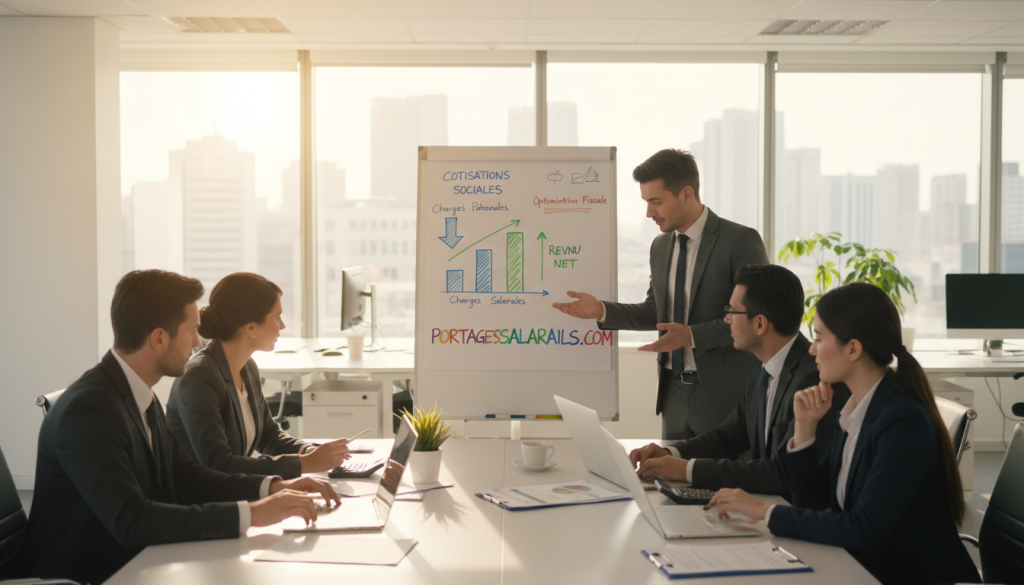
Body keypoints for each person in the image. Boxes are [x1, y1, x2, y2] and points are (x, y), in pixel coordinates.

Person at [17, 270, 340, 585]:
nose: (198, 340)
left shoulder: (137, 393)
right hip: (86, 573)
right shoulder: (88, 410)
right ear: (159, 338)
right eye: (191, 331)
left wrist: (272, 488)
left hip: (136, 559)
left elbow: (186, 476)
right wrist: (254, 514)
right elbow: (133, 520)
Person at [705, 283, 981, 585]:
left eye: (820, 339)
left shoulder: (902, 420)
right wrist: (804, 427)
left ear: (853, 349)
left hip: (902, 574)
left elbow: (862, 527)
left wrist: (763, 511)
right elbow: (813, 501)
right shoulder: (854, 409)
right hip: (860, 565)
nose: (811, 349)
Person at [553, 149, 768, 439]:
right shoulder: (660, 246)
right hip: (673, 395)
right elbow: (656, 311)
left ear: (686, 194)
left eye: (656, 201)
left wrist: (691, 335)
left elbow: (756, 318)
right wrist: (601, 310)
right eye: (646, 202)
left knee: (718, 480)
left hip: (724, 397)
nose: (649, 212)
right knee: (668, 479)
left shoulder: (739, 241)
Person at [629, 264, 849, 498]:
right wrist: (671, 453)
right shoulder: (761, 368)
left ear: (760, 324)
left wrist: (689, 469)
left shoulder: (816, 379)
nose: (727, 320)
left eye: (732, 312)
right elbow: (731, 434)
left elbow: (780, 471)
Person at [166, 272, 351, 479]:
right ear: (251, 327)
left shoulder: (247, 367)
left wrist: (310, 452)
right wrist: (305, 464)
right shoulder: (198, 378)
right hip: (200, 503)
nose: (282, 326)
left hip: (232, 494)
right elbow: (218, 464)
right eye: (277, 318)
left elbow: (268, 435)